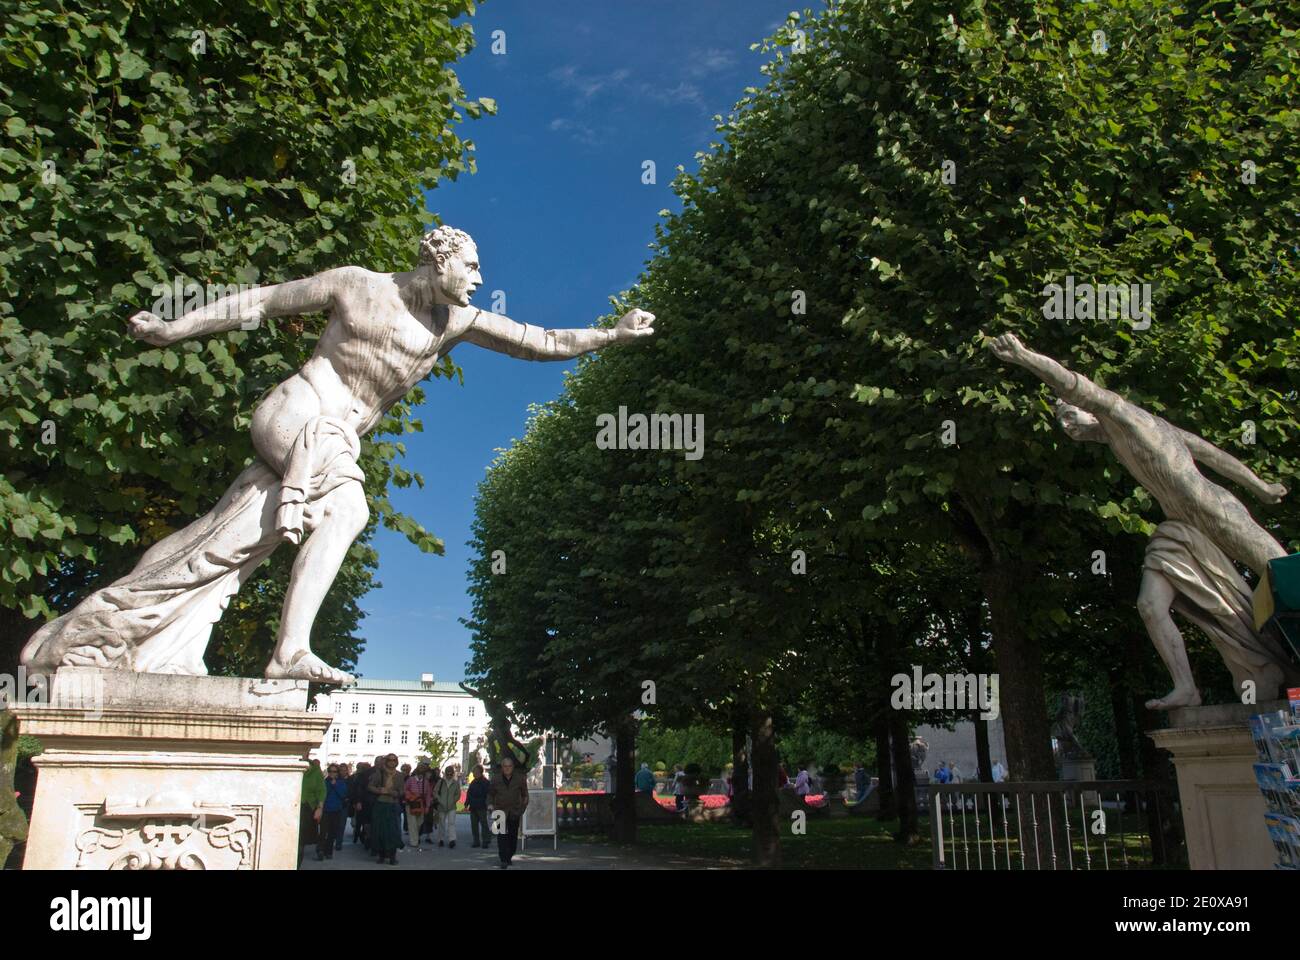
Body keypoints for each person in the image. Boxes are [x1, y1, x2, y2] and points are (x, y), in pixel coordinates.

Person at [24, 228, 657, 685]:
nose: (479, 279)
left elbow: (538, 340)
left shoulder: (456, 323)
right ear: (437, 259)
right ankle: (290, 644)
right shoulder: (356, 285)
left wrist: (612, 335)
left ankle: (133, 618)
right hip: (294, 415)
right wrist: (173, 327)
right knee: (348, 502)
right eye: (471, 266)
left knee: (236, 531)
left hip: (337, 440)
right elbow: (261, 302)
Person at [488, 754, 529, 869]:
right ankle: (503, 859)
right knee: (501, 836)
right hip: (500, 811)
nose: (507, 768)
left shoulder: (520, 778)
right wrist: (490, 804)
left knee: (512, 836)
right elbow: (490, 794)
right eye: (505, 766)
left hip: (514, 811)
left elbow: (525, 795)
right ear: (502, 767)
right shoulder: (496, 779)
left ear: (513, 767)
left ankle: (509, 855)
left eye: (509, 766)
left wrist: (521, 809)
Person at [368, 753, 404, 865]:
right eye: (390, 760)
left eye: (394, 760)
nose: (392, 762)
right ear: (386, 761)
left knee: (393, 831)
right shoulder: (379, 773)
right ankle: (381, 855)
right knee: (380, 831)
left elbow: (402, 791)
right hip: (381, 804)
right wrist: (380, 790)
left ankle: (392, 856)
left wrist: (394, 792)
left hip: (393, 805)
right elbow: (370, 786)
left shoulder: (399, 775)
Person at [317, 763, 349, 860]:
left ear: (337, 773)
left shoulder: (341, 783)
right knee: (323, 831)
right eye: (330, 771)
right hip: (326, 810)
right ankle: (321, 850)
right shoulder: (324, 782)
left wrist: (335, 786)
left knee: (332, 832)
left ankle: (329, 851)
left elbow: (343, 795)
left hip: (336, 810)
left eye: (334, 771)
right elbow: (321, 795)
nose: (332, 773)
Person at [299, 759, 325, 868]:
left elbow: (321, 791)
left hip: (307, 809)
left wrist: (320, 808)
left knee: (301, 842)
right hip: (293, 806)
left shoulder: (315, 772)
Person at [403, 764, 433, 852]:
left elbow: (428, 795)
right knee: (412, 823)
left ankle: (415, 837)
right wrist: (410, 796)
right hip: (411, 803)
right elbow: (405, 789)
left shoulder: (426, 782)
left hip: (421, 804)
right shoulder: (410, 780)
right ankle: (414, 841)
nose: (421, 774)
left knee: (419, 822)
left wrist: (427, 806)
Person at [434, 764, 460, 848]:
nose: (449, 775)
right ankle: (440, 839)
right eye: (447, 774)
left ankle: (452, 840)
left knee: (451, 823)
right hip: (442, 806)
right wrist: (439, 800)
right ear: (445, 773)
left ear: (453, 774)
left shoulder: (455, 783)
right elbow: (435, 792)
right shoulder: (441, 782)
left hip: (451, 806)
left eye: (450, 774)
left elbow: (458, 794)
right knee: (441, 823)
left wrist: (453, 800)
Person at [466, 763, 491, 849]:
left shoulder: (485, 782)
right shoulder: (473, 782)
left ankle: (485, 840)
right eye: (473, 772)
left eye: (475, 772)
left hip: (482, 805)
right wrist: (466, 803)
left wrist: (488, 804)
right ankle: (476, 841)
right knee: (474, 825)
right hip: (473, 806)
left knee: (484, 824)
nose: (473, 773)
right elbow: (469, 793)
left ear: (480, 772)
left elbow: (488, 794)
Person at [348, 761, 371, 845]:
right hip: (363, 802)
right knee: (362, 821)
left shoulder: (358, 777)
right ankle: (360, 835)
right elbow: (356, 790)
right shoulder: (358, 777)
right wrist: (356, 801)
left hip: (363, 802)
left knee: (360, 821)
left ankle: (359, 835)